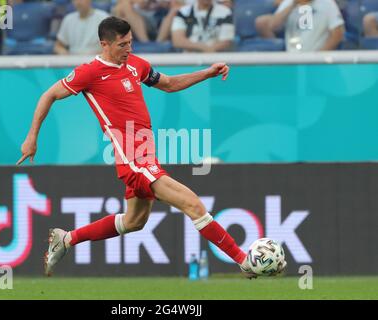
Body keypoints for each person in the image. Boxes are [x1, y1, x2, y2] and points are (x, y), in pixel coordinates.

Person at [17, 16, 275, 279]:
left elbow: (170, 84)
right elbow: (48, 95)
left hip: (146, 156)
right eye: (122, 45)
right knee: (193, 205)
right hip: (133, 160)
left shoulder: (135, 65)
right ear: (104, 44)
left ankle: (67, 239)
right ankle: (244, 261)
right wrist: (32, 137)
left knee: (134, 222)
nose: (128, 49)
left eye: (130, 43)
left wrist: (207, 73)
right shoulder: (89, 73)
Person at [270, 0, 345, 52]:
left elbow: (337, 34)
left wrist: (320, 56)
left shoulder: (327, 3)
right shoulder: (289, 2)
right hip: (292, 59)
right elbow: (273, 26)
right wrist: (293, 4)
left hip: (317, 61)